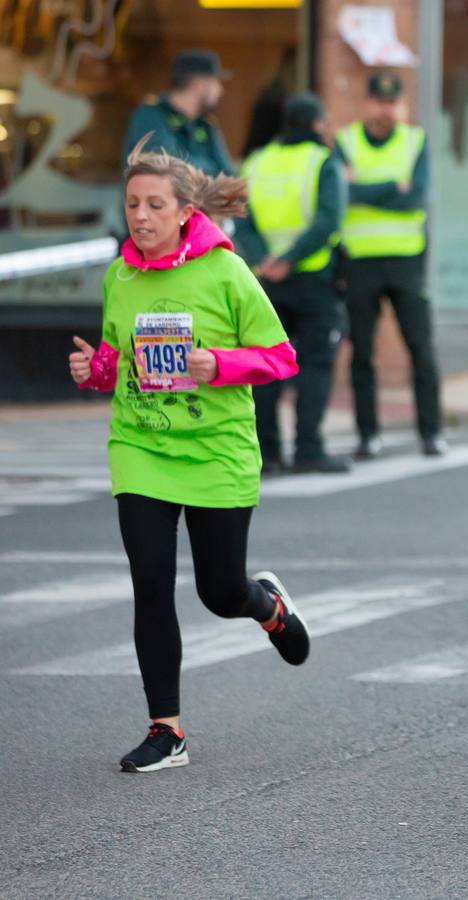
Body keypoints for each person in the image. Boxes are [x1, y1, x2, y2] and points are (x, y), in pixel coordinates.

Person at [68, 136, 310, 773]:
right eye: (132, 205)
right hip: (141, 446)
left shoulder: (225, 272)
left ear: (184, 213)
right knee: (150, 582)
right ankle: (166, 729)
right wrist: (94, 370)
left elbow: (281, 356)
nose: (141, 217)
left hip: (216, 452)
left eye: (154, 205)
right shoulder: (120, 276)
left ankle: (266, 605)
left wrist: (218, 364)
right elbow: (117, 359)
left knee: (219, 589)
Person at [332, 72, 444, 459]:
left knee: (421, 348)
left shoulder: (415, 142)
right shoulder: (345, 142)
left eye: (392, 102)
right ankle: (368, 436)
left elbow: (414, 198)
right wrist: (389, 187)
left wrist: (364, 188)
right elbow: (340, 194)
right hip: (359, 261)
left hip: (406, 260)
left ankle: (431, 432)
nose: (385, 109)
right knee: (362, 352)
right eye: (379, 102)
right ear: (367, 104)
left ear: (402, 104)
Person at [238, 93, 350, 474]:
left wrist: (264, 260)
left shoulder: (256, 162)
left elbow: (244, 221)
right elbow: (328, 220)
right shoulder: (322, 161)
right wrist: (290, 259)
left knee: (266, 367)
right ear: (317, 125)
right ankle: (308, 450)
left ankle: (267, 455)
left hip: (265, 281)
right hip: (313, 279)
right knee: (315, 366)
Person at [122, 49, 234, 176]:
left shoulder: (204, 124)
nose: (221, 90)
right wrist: (209, 169)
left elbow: (228, 175)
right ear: (198, 85)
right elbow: (164, 167)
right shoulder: (151, 116)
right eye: (216, 82)